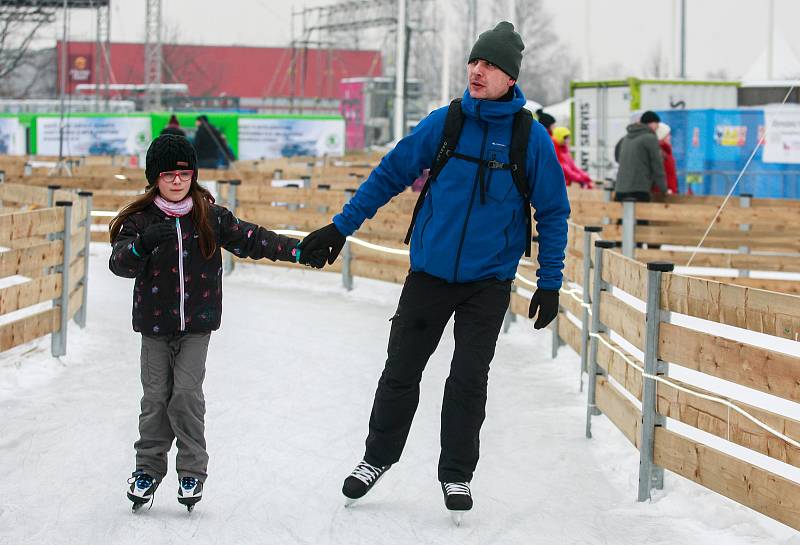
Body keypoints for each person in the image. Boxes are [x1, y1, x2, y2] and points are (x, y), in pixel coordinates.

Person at [297, 21, 569, 521]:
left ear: (510, 77)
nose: (477, 70)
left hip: (487, 282)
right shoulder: (446, 123)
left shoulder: (529, 139)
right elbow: (389, 174)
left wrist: (550, 283)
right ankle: (376, 459)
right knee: (401, 368)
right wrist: (340, 227)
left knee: (468, 378)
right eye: (474, 61)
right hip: (430, 273)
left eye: (488, 64)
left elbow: (552, 212)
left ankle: (457, 473)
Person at [108, 134, 318, 512]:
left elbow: (254, 239)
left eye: (184, 174)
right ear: (155, 178)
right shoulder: (140, 221)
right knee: (155, 399)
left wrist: (298, 250)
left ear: (193, 176)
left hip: (197, 327)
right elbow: (119, 263)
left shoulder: (209, 216)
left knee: (186, 395)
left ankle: (191, 470)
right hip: (155, 328)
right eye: (168, 174)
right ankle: (148, 469)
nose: (176, 181)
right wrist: (140, 246)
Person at [613, 110, 667, 201]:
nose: (657, 128)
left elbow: (617, 157)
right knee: (640, 215)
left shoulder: (625, 138)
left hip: (620, 190)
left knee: (623, 215)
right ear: (652, 123)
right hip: (639, 191)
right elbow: (657, 165)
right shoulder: (650, 138)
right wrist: (663, 189)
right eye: (657, 124)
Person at [655, 122, 678, 195]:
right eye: (668, 135)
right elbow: (658, 173)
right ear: (662, 136)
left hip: (671, 192)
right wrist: (665, 190)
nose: (670, 137)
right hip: (663, 194)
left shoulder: (667, 152)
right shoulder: (660, 152)